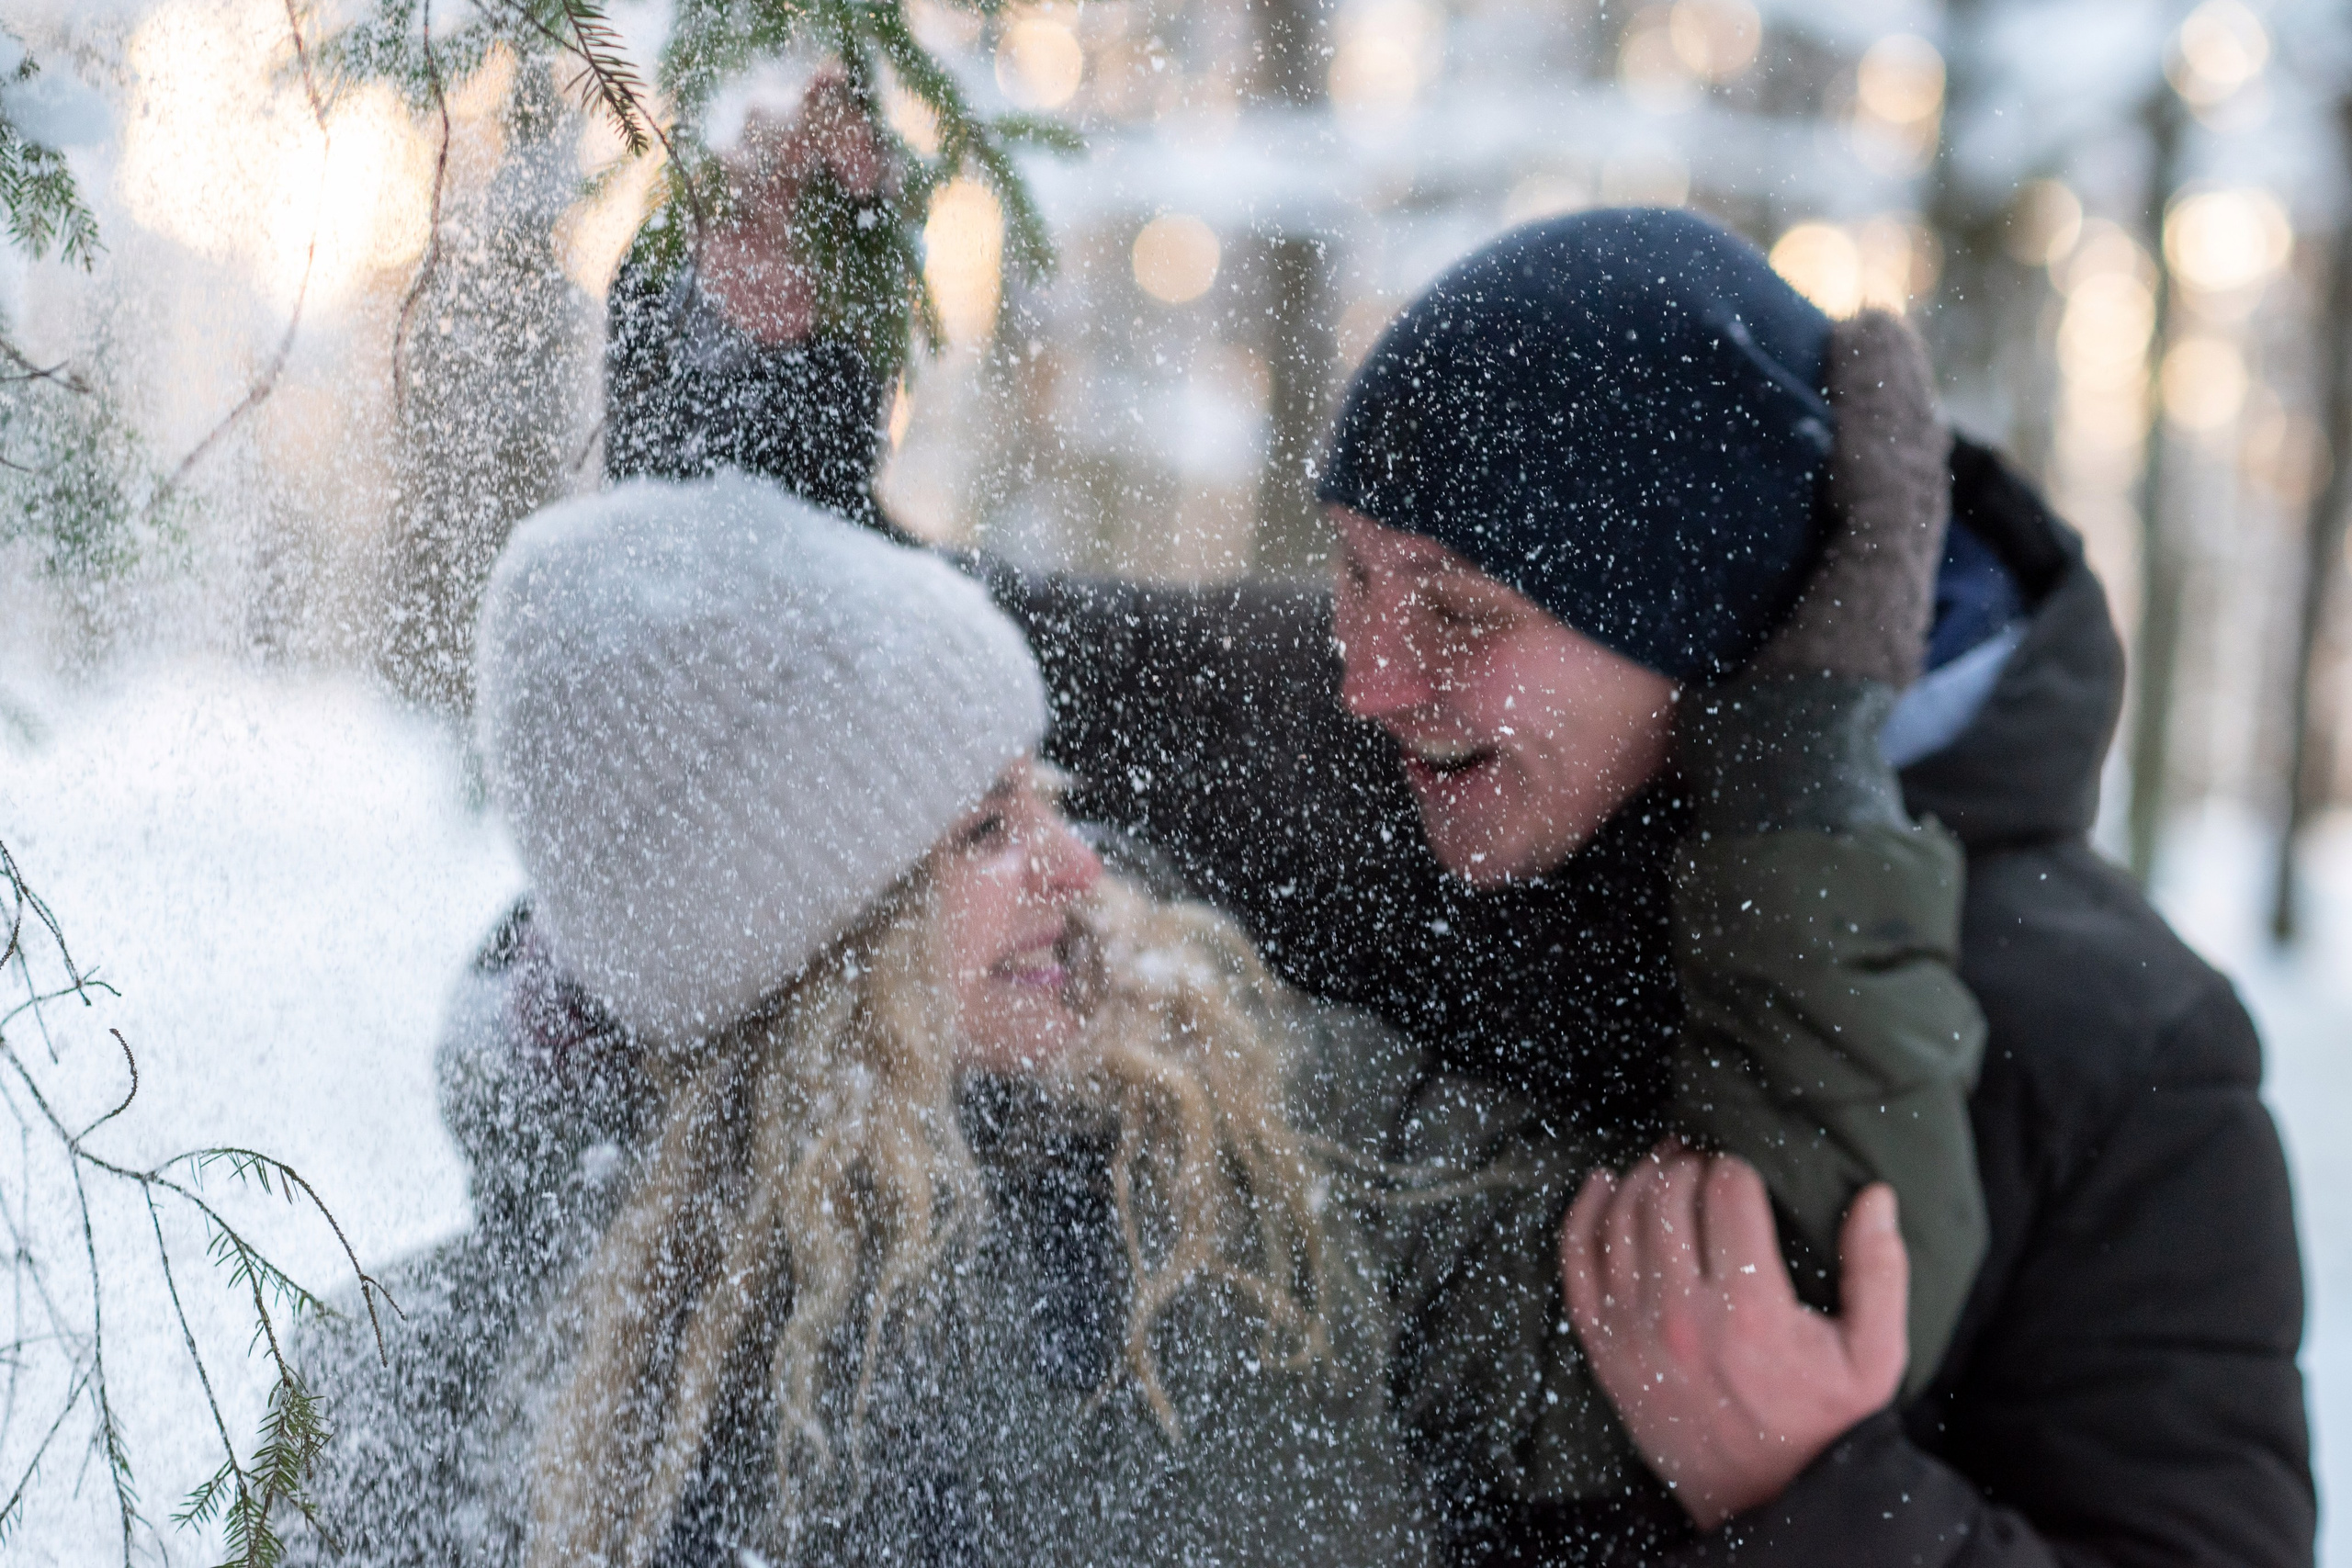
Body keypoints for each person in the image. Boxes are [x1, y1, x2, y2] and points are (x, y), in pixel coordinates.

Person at [612, 110, 2313, 1565]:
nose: (1366, 672)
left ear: (1700, 620)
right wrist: (759, 345)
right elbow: (863, 683)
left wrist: (1817, 1500)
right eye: (1351, 572)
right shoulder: (1332, 741)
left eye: (1456, 607)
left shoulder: (2121, 1053)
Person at [288, 451, 1985, 1564]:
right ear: (797, 942)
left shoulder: (1249, 1107)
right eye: (984, 829)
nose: (1079, 869)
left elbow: (1791, 1285)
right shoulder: (435, 1392)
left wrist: (1799, 775)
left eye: (1048, 796)